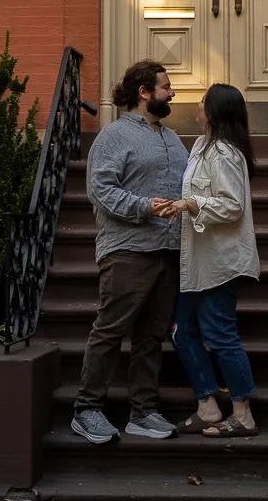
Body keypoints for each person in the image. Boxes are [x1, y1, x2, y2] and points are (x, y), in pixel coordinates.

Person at [69, 61, 189, 444]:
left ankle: (143, 412)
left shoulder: (173, 138)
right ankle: (87, 410)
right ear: (144, 92)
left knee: (151, 338)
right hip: (127, 250)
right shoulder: (114, 135)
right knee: (110, 331)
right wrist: (145, 206)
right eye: (166, 87)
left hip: (168, 251)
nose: (172, 93)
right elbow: (100, 189)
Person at [161, 82, 261, 438]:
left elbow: (232, 206)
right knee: (181, 331)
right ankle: (207, 406)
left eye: (203, 102)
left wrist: (192, 204)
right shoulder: (202, 146)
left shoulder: (226, 154)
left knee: (220, 334)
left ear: (215, 111)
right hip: (195, 260)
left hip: (220, 261)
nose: (198, 106)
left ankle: (242, 412)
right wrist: (178, 205)